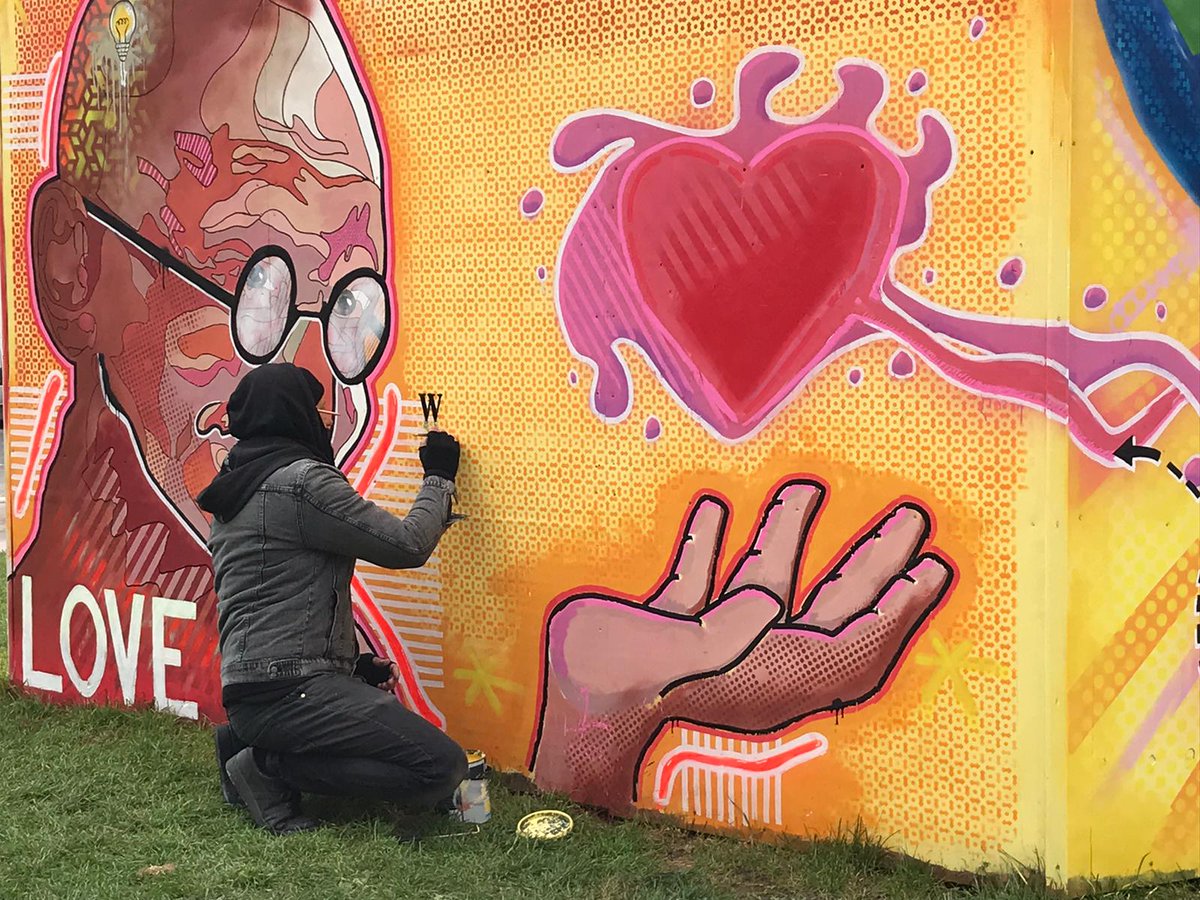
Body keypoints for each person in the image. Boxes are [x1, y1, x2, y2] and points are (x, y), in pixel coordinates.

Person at [197, 363, 467, 834]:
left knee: (412, 755)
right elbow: (407, 545)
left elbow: (273, 596)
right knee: (441, 768)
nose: (325, 420)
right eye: (316, 408)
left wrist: (349, 666)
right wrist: (439, 475)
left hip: (251, 690)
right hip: (288, 690)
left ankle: (245, 743)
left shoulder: (236, 484)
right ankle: (265, 768)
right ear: (292, 414)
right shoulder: (301, 483)